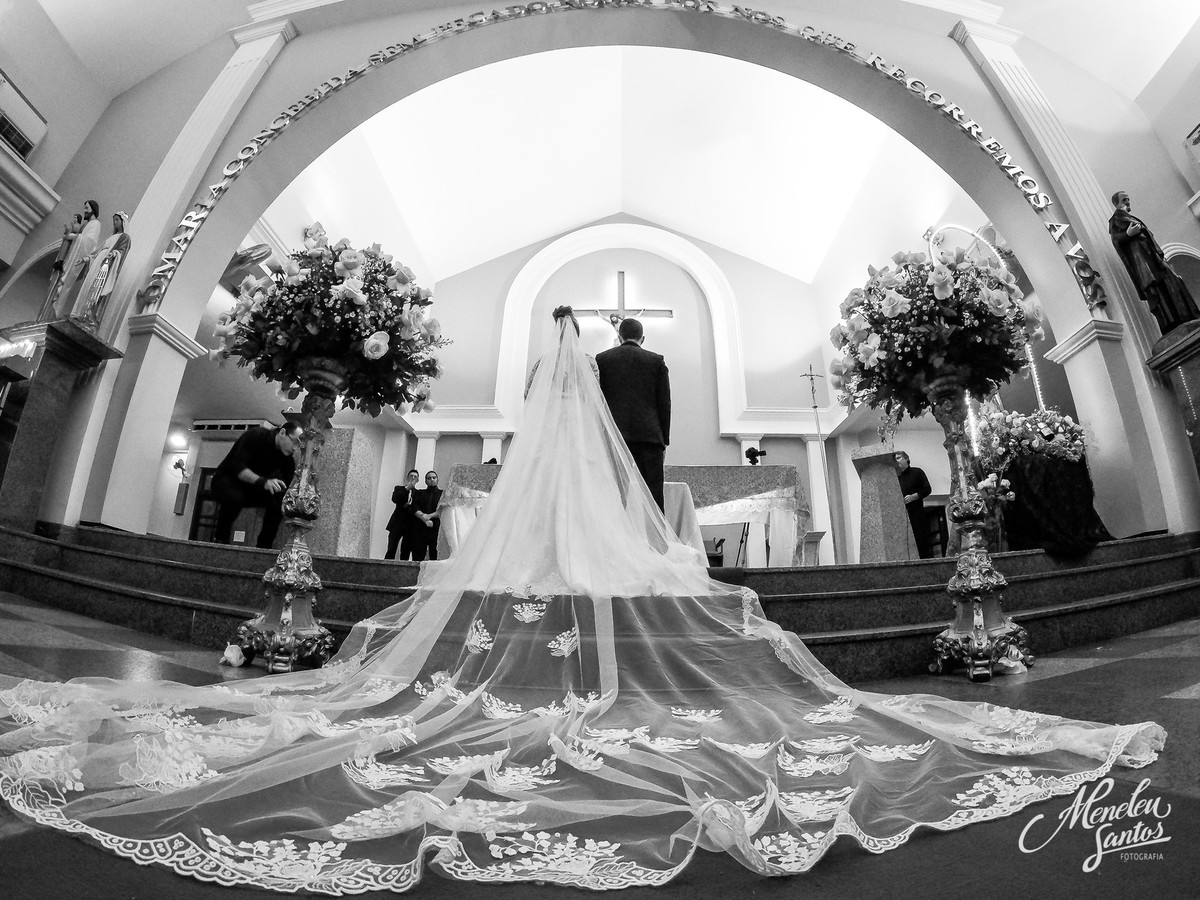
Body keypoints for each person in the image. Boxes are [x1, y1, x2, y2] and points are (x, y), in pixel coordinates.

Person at [0, 310, 1165, 893]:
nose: (621, 331)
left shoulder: (596, 373)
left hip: (632, 446)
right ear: (614, 339)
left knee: (585, 541)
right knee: (622, 534)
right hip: (638, 446)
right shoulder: (632, 367)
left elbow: (600, 426)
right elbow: (626, 424)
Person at [596, 316, 671, 511]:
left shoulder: (602, 360)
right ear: (642, 338)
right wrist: (664, 441)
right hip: (649, 438)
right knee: (653, 496)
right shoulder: (656, 361)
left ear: (619, 337)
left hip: (615, 437)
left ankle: (615, 539)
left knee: (615, 495)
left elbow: (598, 400)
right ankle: (656, 541)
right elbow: (664, 403)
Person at [1108, 190, 1200, 336]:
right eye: (1124, 200)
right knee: (1159, 290)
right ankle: (1172, 323)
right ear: (1117, 204)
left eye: (1128, 199)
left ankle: (1186, 316)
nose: (1127, 202)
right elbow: (1116, 240)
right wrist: (1127, 235)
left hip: (1153, 258)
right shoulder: (1116, 219)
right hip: (1144, 262)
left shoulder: (1128, 217)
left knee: (1174, 282)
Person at [210, 421, 300, 548]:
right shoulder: (256, 435)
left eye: (299, 445)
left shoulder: (287, 458)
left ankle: (264, 547)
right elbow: (237, 467)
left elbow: (288, 486)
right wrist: (264, 482)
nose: (295, 448)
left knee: (279, 501)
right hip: (226, 480)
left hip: (252, 489)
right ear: (282, 432)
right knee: (234, 497)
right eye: (295, 442)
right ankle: (220, 539)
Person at [71, 211, 132, 329]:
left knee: (96, 288)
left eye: (117, 220)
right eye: (114, 220)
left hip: (106, 266)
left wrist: (114, 253)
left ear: (123, 222)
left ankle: (90, 315)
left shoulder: (125, 237)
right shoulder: (111, 237)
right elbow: (97, 252)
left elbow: (122, 251)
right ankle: (79, 313)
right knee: (88, 286)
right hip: (98, 262)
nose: (115, 223)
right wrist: (86, 259)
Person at [42, 200, 101, 320]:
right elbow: (79, 236)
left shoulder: (96, 224)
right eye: (84, 208)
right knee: (57, 283)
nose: (84, 211)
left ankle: (55, 312)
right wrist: (72, 234)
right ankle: (48, 312)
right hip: (71, 255)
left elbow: (90, 242)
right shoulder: (85, 224)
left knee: (65, 285)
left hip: (77, 258)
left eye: (87, 208)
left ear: (93, 210)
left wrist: (74, 236)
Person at [895, 450, 933, 558]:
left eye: (898, 458)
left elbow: (927, 489)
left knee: (921, 542)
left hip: (917, 514)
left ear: (906, 458)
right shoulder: (896, 478)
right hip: (902, 516)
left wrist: (914, 497)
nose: (896, 461)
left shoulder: (917, 472)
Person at [384, 469, 421, 560]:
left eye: (415, 477)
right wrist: (407, 488)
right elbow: (395, 499)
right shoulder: (399, 488)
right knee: (391, 549)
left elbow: (417, 507)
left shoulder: (419, 493)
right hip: (397, 523)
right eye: (411, 476)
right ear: (407, 477)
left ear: (417, 480)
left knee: (406, 551)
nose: (412, 478)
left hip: (410, 525)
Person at [411, 470, 443, 561]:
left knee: (435, 555)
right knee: (418, 555)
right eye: (429, 478)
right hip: (420, 527)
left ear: (437, 480)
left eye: (434, 478)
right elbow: (414, 507)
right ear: (425, 481)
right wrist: (424, 518)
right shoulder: (419, 493)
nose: (431, 480)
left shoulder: (443, 494)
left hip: (436, 528)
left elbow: (443, 510)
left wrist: (430, 516)